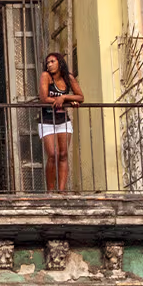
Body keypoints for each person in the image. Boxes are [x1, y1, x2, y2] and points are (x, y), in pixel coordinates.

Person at [38, 52, 83, 192]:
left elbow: (80, 97)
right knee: (52, 154)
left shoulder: (68, 78)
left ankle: (61, 191)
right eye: (47, 63)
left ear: (60, 62)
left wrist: (64, 98)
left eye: (52, 61)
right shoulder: (46, 76)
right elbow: (44, 98)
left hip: (63, 120)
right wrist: (62, 100)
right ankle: (50, 191)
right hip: (47, 120)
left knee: (63, 155)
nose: (49, 65)